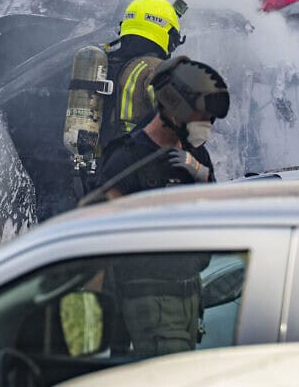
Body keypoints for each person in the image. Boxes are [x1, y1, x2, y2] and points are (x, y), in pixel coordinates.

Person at [90, 56, 230, 357]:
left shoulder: (196, 158)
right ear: (174, 110)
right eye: (201, 118)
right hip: (148, 302)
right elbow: (98, 241)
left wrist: (202, 176)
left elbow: (216, 219)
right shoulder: (127, 161)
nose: (206, 127)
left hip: (191, 296)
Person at [93, 0, 185, 168]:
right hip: (141, 169)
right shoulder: (155, 69)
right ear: (168, 35)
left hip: (106, 165)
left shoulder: (109, 64)